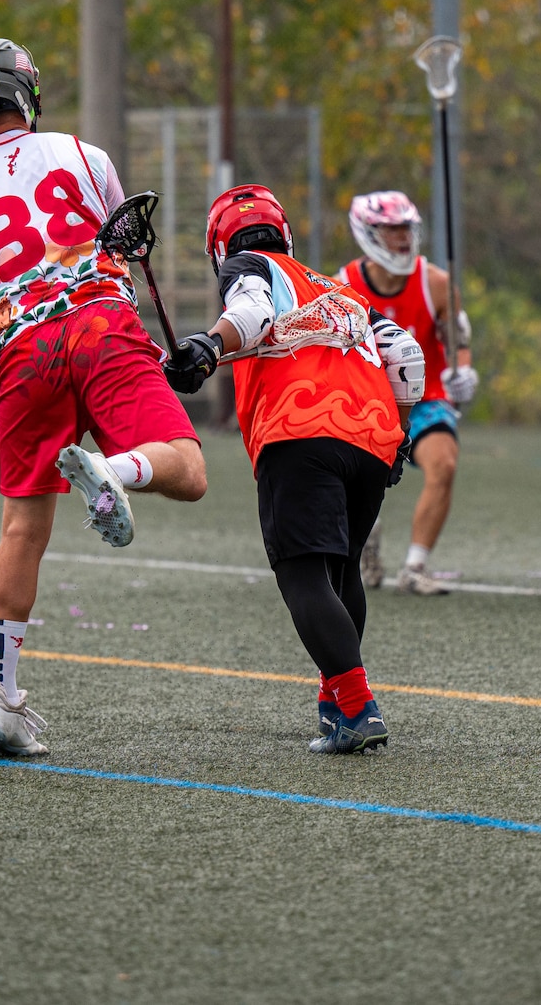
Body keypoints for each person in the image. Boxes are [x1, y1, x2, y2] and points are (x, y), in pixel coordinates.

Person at [0, 38, 207, 759]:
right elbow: (120, 248)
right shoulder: (85, 155)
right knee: (189, 470)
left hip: (21, 354)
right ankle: (115, 471)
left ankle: (2, 697)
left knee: (21, 529)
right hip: (101, 325)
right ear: (26, 93)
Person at [163, 184, 423, 753]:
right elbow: (406, 354)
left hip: (299, 430)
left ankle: (357, 709)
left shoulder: (248, 267)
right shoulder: (339, 290)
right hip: (372, 437)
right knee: (342, 571)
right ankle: (335, 706)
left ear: (219, 247)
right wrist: (398, 436)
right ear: (285, 233)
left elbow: (252, 312)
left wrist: (208, 346)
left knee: (301, 574)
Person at [339, 191, 478, 596]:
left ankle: (416, 566)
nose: (402, 237)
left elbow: (457, 340)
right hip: (366, 401)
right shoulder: (342, 285)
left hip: (425, 400)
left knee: (444, 464)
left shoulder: (436, 283)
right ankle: (363, 540)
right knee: (348, 479)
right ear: (368, 232)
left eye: (406, 228)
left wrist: (462, 371)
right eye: (392, 229)